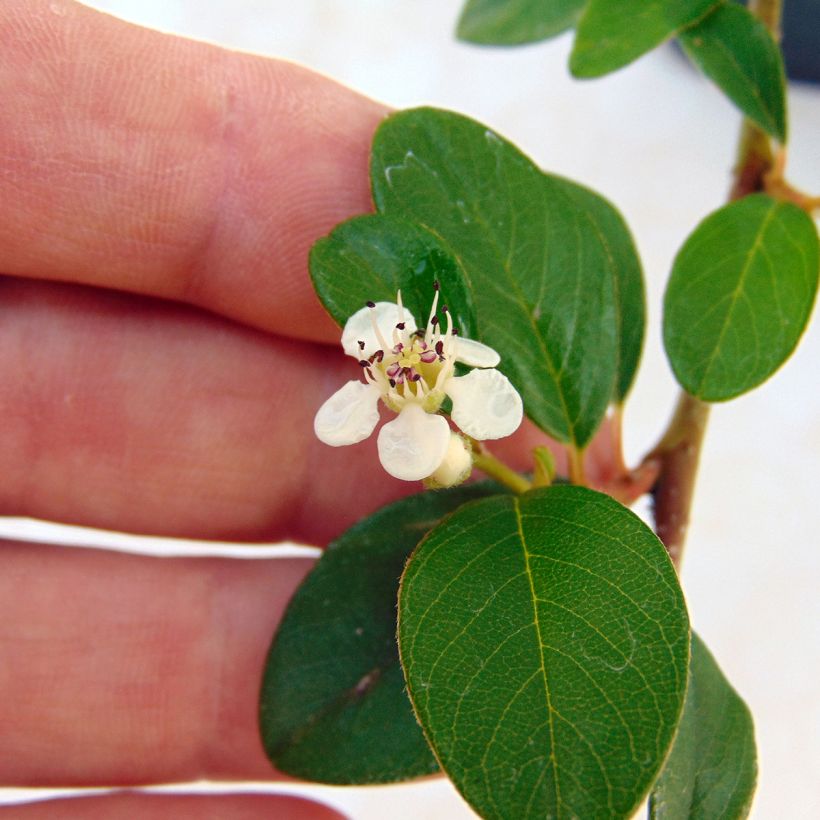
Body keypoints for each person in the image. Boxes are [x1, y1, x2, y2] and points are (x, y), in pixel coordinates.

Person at [1, 2, 553, 816]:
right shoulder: (391, 406)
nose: (405, 366)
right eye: (397, 367)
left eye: (414, 362)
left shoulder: (457, 380)